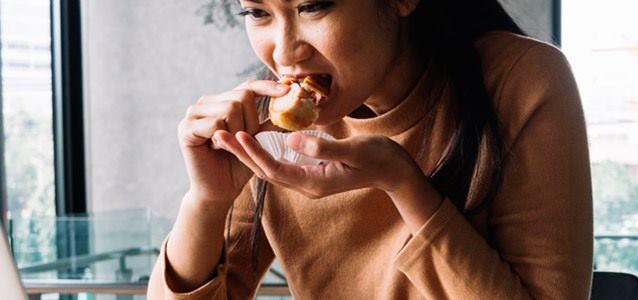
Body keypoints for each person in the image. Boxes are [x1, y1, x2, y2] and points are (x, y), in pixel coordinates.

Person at [147, 0, 593, 298]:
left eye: (313, 6)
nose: (285, 53)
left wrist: (401, 183)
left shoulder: (520, 79)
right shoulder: (267, 125)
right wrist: (206, 202)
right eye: (257, 13)